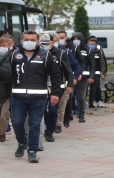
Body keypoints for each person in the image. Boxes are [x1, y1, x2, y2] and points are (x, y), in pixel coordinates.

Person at [10, 30, 61, 163]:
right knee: (16, 122)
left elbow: (56, 75)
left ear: (37, 42)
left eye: (32, 40)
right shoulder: (14, 55)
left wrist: (55, 94)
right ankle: (22, 143)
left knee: (34, 125)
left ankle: (32, 151)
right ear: (21, 41)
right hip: (18, 97)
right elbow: (7, 75)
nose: (29, 42)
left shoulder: (46, 55)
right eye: (26, 39)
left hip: (39, 98)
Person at [40, 32, 73, 142]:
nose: (44, 45)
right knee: (42, 110)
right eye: (42, 43)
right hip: (42, 87)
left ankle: (49, 132)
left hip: (56, 87)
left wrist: (70, 85)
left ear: (53, 42)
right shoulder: (38, 53)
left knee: (53, 110)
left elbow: (68, 70)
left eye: (46, 43)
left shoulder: (60, 53)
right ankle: (44, 129)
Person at [55, 30, 81, 131]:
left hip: (64, 83)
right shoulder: (43, 53)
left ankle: (59, 124)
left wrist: (73, 78)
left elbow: (74, 66)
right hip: (50, 85)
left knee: (62, 105)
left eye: (61, 38)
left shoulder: (65, 52)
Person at [70, 32, 96, 122]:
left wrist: (91, 76)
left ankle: (81, 115)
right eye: (74, 38)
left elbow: (93, 64)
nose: (76, 40)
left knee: (81, 97)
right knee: (70, 96)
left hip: (83, 78)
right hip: (72, 77)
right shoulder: (70, 49)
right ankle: (70, 113)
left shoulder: (88, 50)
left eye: (78, 38)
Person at [86, 37, 107, 108]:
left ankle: (91, 103)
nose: (91, 45)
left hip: (96, 74)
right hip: (86, 73)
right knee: (84, 89)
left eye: (93, 44)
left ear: (96, 45)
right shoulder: (84, 52)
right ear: (87, 44)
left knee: (93, 89)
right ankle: (83, 103)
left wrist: (103, 73)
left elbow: (103, 63)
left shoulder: (99, 52)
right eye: (90, 44)